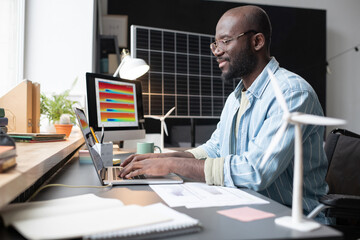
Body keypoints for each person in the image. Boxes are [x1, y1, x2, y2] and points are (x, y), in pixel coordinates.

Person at [120, 5, 328, 219]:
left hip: (294, 219)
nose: (217, 51)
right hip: (250, 208)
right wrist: (162, 158)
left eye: (226, 41)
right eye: (215, 43)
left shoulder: (291, 93)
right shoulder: (235, 98)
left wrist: (173, 164)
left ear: (257, 41)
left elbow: (255, 171)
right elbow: (216, 148)